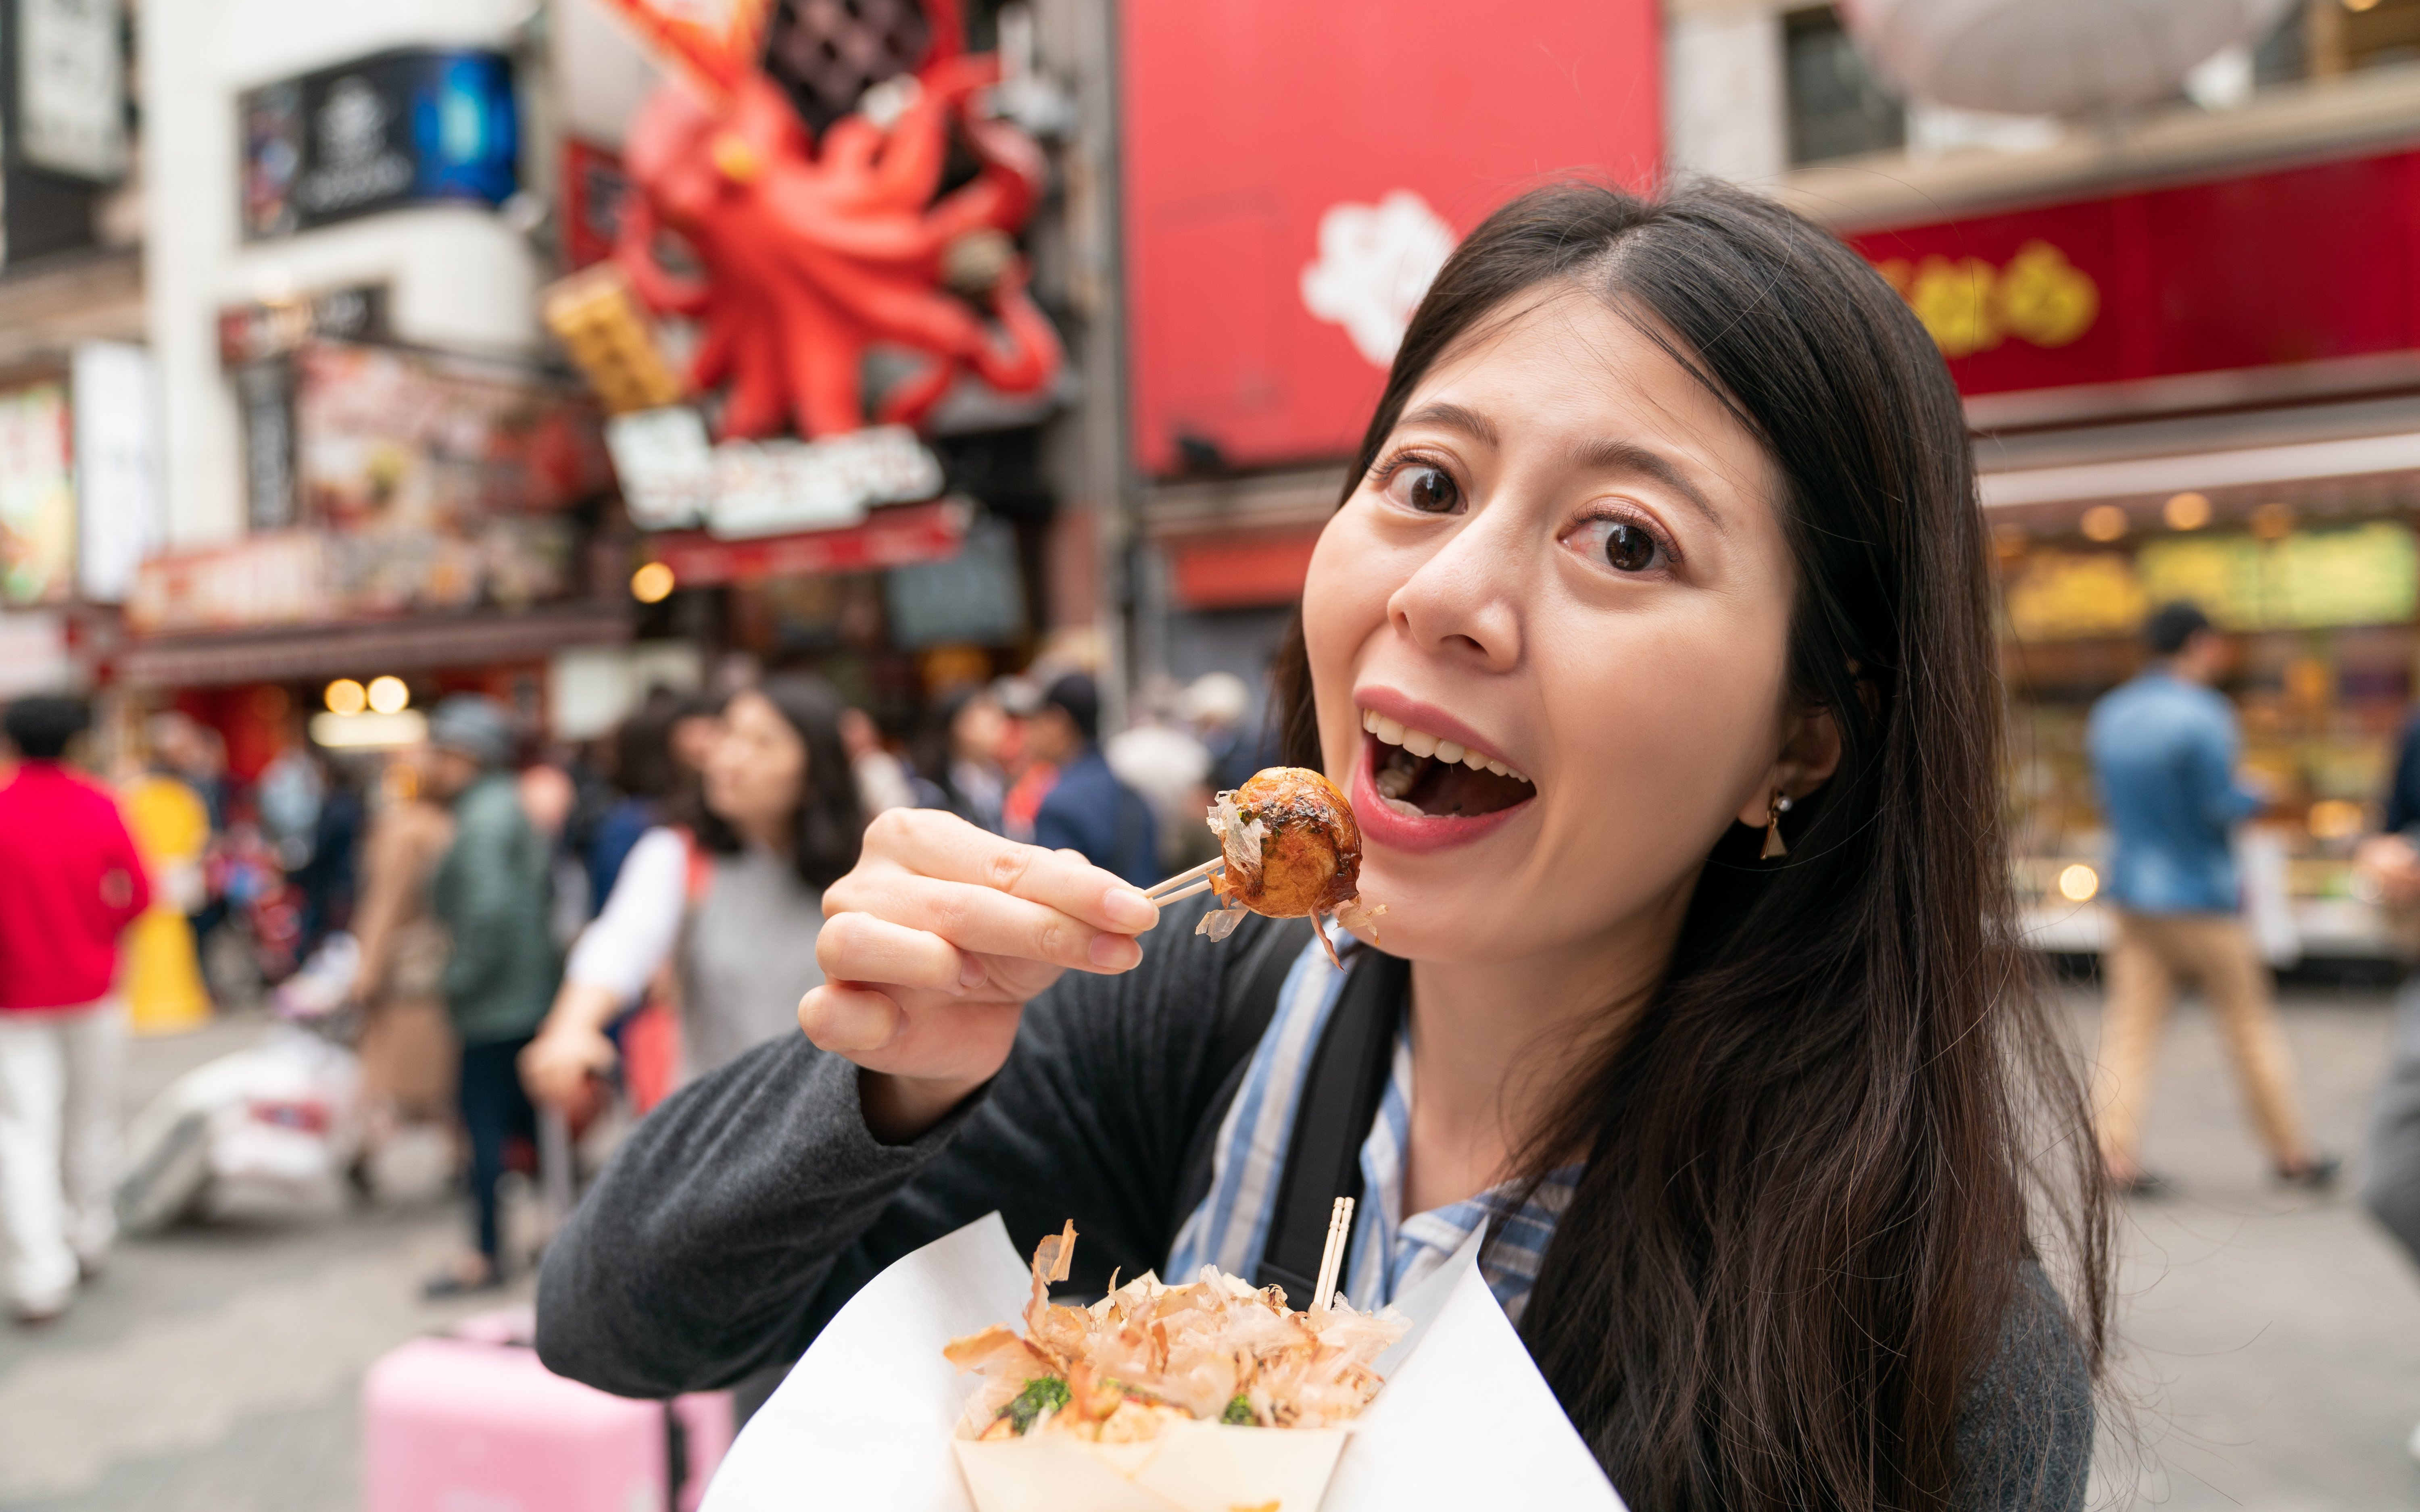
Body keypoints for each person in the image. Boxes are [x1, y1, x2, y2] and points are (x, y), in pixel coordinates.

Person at [534, 183, 2108, 1509]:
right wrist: (887, 1075)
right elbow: (613, 1321)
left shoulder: (1925, 1341)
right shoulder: (1184, 1014)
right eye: (1427, 482)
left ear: (1803, 734)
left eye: (1624, 539)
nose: (1445, 592)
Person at [520, 675, 868, 1110]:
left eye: (764, 742)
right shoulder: (675, 857)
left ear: (818, 771)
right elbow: (622, 942)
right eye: (728, 735)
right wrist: (572, 1027)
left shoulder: (864, 869)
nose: (730, 758)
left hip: (845, 1123)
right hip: (724, 1122)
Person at [2085, 601, 2336, 1195]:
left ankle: (2112, 1154)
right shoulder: (2205, 715)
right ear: (2200, 643)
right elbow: (2219, 805)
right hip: (2201, 895)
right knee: (2249, 1024)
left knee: (2128, 1029)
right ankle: (2292, 1152)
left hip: (2132, 893)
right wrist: (2257, 794)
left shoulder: (2110, 713)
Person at [0, 696, 150, 1324]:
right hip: (94, 988)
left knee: (22, 1130)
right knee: (90, 1117)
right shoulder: (100, 804)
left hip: (14, 995)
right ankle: (89, 1234)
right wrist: (99, 931)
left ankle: (41, 1273)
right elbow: (139, 892)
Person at [421, 695, 560, 1296]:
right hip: (525, 993)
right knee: (532, 1124)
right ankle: (560, 1233)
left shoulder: (481, 818)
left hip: (497, 1003)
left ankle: (484, 1250)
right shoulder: (503, 806)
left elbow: (488, 910)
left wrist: (456, 977)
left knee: (483, 1128)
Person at [1026, 673, 1159, 886]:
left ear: (1057, 723)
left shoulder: (1059, 806)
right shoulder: (1134, 796)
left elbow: (1053, 892)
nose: (1029, 734)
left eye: (1035, 722)